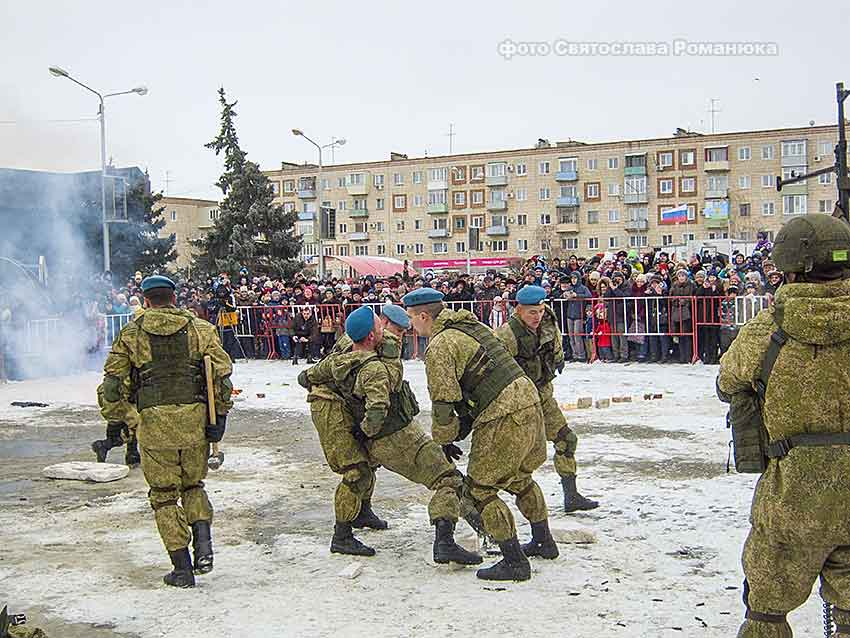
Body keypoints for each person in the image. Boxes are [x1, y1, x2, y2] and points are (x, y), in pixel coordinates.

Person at [717, 215, 850, 638]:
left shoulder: (769, 329)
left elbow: (727, 381)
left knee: (767, 612)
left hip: (793, 497)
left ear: (788, 266)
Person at [300, 305, 481, 566]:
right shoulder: (378, 363)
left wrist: (310, 377)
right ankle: (443, 542)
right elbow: (383, 398)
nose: (391, 332)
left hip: (373, 427)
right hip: (392, 433)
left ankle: (361, 514)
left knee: (366, 467)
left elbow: (316, 372)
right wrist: (365, 430)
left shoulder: (346, 347)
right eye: (385, 327)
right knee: (444, 478)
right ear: (374, 334)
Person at [403, 288, 557, 582]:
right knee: (520, 479)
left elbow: (444, 399)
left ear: (424, 316)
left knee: (480, 490)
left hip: (503, 414)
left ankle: (514, 561)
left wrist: (445, 438)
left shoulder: (440, 345)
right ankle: (543, 541)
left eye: (412, 318)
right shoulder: (473, 326)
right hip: (529, 401)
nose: (412, 325)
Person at [98, 275, 234, 588]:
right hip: (194, 421)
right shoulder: (201, 329)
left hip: (154, 425)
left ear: (146, 301)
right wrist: (220, 417)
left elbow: (113, 385)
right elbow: (220, 376)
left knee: (163, 497)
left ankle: (182, 568)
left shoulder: (131, 334)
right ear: (174, 298)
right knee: (193, 486)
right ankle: (203, 545)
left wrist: (126, 418)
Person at [495, 285, 598, 513]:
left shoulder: (547, 324)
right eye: (532, 312)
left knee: (566, 439)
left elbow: (556, 342)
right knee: (513, 458)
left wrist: (557, 358)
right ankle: (482, 498)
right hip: (519, 404)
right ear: (519, 310)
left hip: (543, 396)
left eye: (540, 311)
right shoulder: (507, 334)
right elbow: (495, 371)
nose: (537, 317)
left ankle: (571, 496)